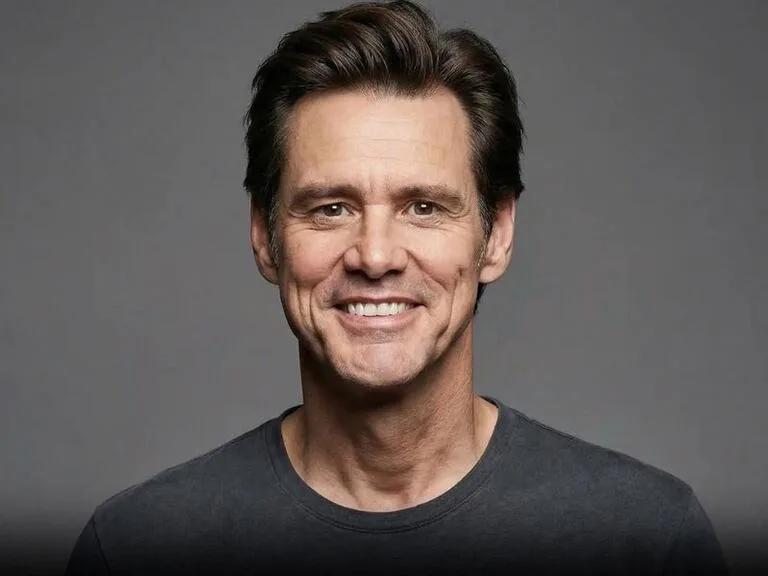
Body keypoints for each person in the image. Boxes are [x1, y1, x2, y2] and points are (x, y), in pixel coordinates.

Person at [65, 1, 728, 574]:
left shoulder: (647, 539)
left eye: (425, 207)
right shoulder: (134, 547)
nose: (376, 255)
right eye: (331, 208)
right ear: (265, 236)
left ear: (496, 234)